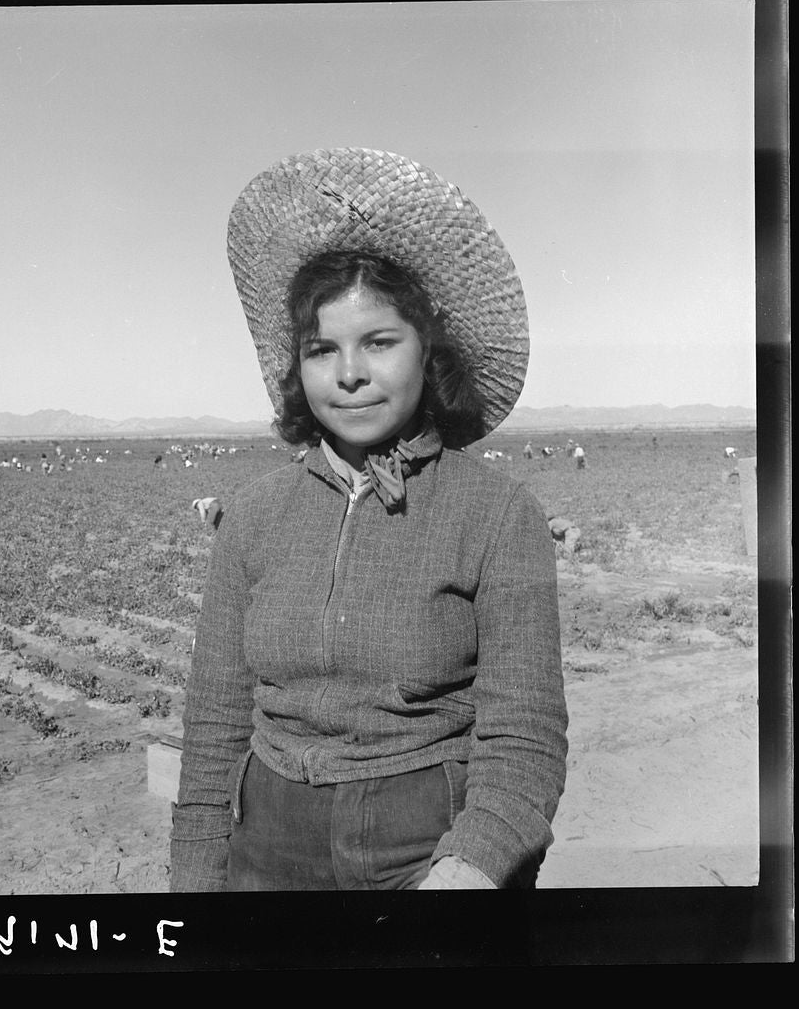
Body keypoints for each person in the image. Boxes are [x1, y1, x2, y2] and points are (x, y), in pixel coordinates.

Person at [170, 148, 568, 892]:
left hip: (429, 847)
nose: (349, 373)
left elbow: (525, 740)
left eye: (378, 342)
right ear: (300, 366)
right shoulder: (253, 516)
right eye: (323, 349)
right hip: (267, 851)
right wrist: (196, 887)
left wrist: (468, 869)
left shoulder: (497, 514)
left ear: (428, 354)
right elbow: (215, 728)